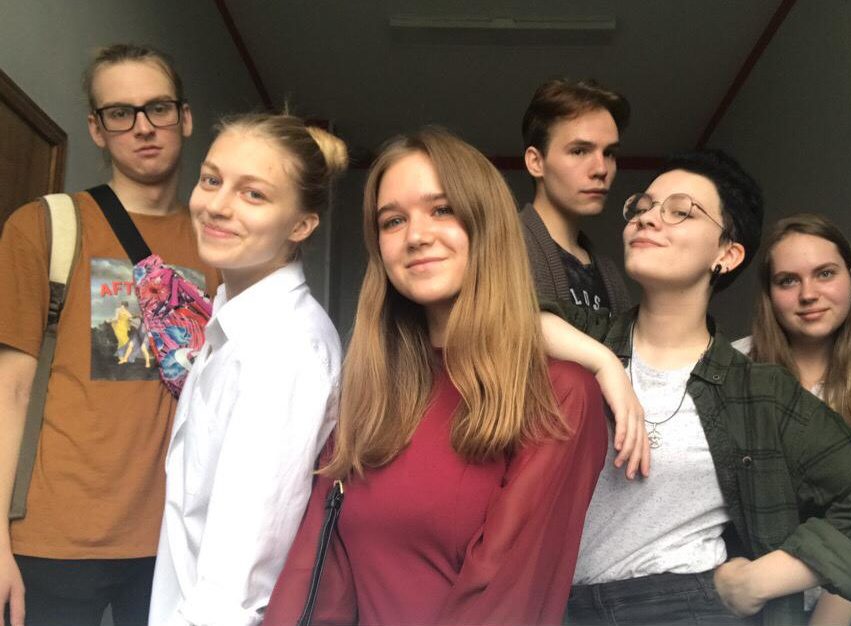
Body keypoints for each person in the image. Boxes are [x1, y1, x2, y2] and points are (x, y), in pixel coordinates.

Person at [541, 150, 851, 626]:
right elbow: (495, 316)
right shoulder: (585, 339)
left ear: (727, 254)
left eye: (680, 210)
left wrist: (757, 581)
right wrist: (604, 364)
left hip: (684, 607)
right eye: (642, 207)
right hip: (552, 604)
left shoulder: (757, 391)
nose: (647, 219)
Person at [262, 128, 608, 626]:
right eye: (393, 220)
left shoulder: (558, 394)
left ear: (486, 225)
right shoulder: (370, 394)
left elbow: (505, 601)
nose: (416, 235)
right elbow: (317, 574)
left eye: (442, 210)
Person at [0, 44, 218, 626]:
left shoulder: (221, 245)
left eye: (158, 108)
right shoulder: (45, 226)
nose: (143, 127)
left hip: (175, 540)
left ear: (184, 117)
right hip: (51, 537)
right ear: (97, 129)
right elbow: (9, 390)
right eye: (120, 113)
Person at [147, 112, 346, 626]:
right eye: (211, 180)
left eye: (253, 194)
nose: (216, 205)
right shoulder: (235, 324)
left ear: (300, 225)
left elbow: (235, 588)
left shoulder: (283, 346)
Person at [735, 213, 851, 625]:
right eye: (788, 281)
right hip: (746, 599)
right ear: (769, 294)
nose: (808, 294)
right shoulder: (732, 367)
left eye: (825, 274)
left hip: (850, 599)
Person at [520, 78, 631, 319]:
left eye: (609, 153)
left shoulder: (608, 273)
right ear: (536, 162)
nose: (601, 169)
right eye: (579, 151)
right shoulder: (501, 249)